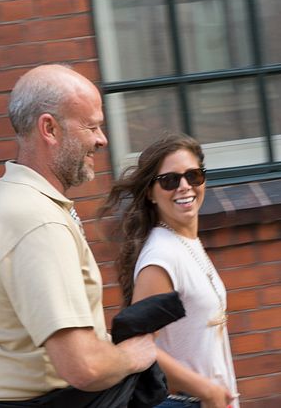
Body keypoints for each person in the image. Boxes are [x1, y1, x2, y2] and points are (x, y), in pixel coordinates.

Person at [0, 64, 157, 406]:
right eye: (91, 126)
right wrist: (132, 354)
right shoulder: (37, 221)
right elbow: (83, 367)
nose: (102, 140)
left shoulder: (11, 197)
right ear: (49, 129)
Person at [101, 134, 240, 408]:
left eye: (193, 176)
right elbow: (137, 344)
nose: (184, 186)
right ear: (151, 193)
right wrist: (207, 391)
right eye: (169, 180)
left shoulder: (185, 242)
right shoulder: (161, 256)